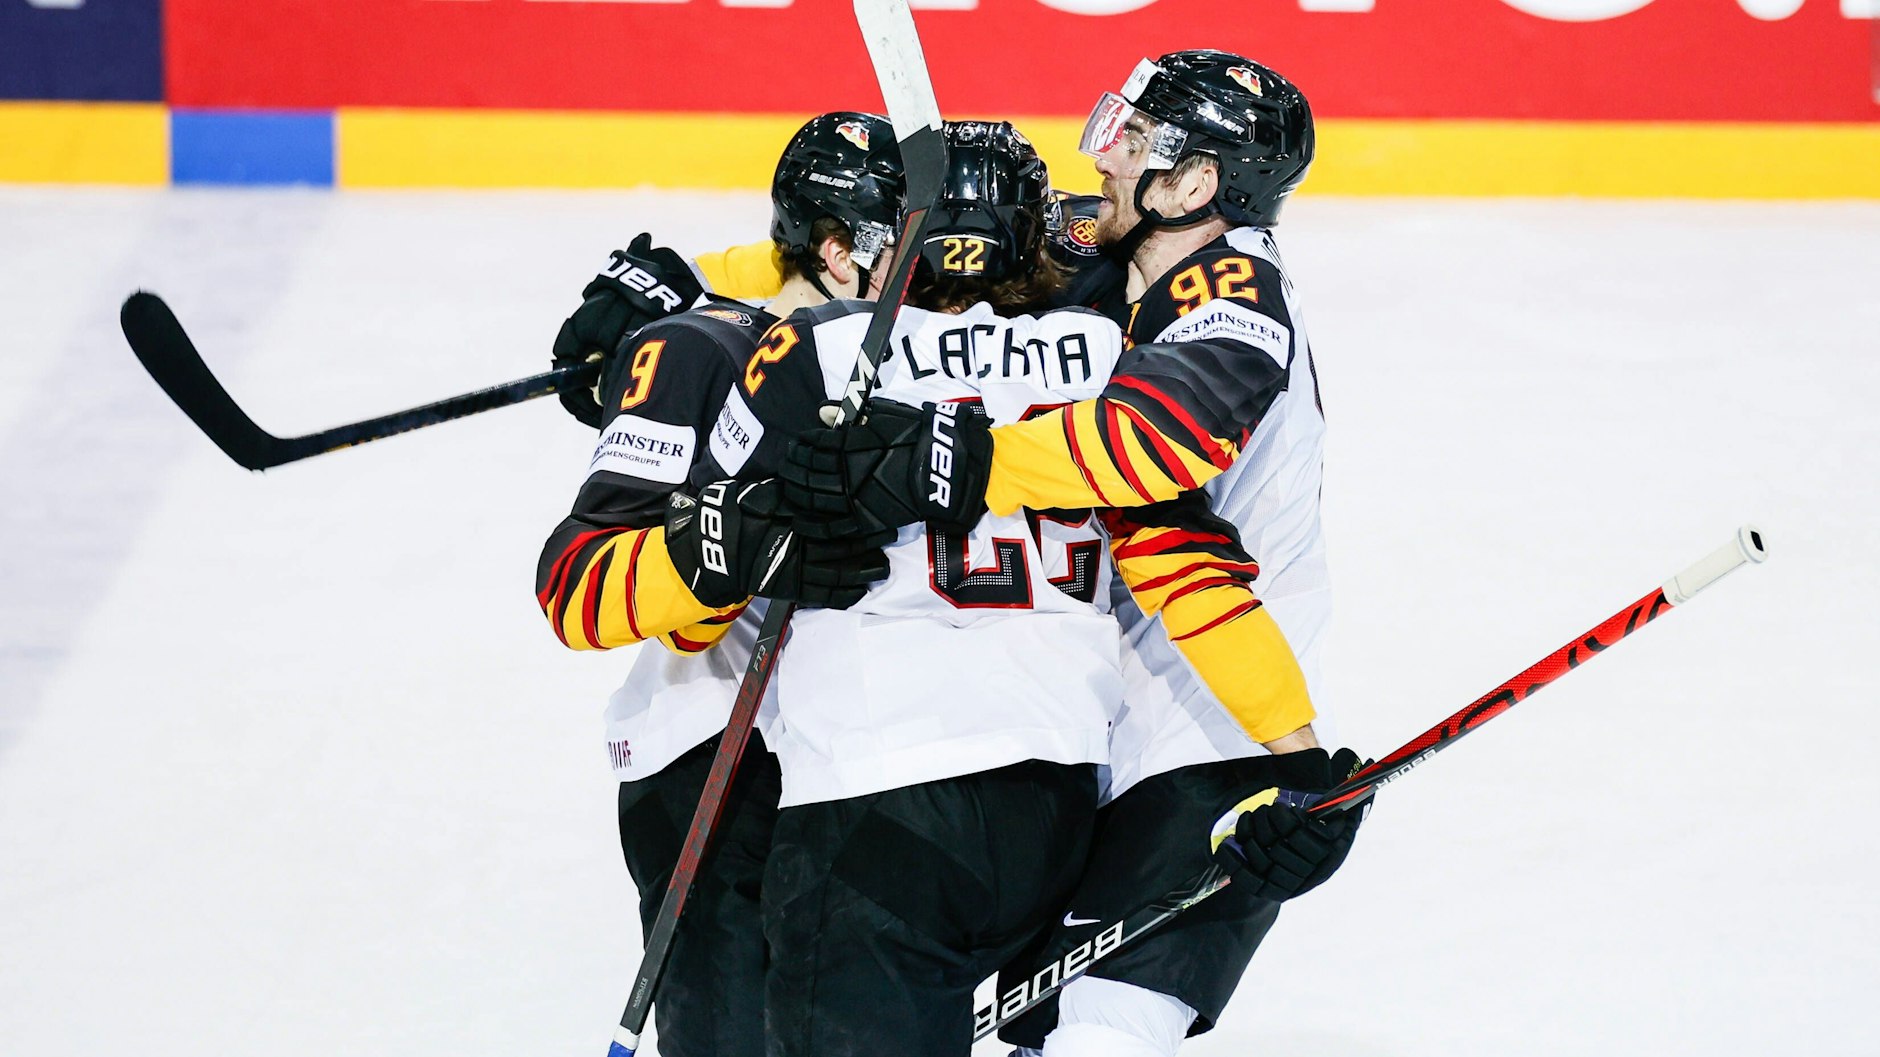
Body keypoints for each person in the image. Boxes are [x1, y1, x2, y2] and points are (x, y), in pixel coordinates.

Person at [778, 53, 1368, 1056]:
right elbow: (902, 244)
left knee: (1099, 1040)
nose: (1098, 159)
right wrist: (723, 293)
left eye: (1130, 142)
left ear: (1192, 185)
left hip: (1206, 733)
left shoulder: (1233, 286)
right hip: (1091, 718)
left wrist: (946, 460)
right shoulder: (1127, 251)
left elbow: (1153, 444)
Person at [532, 111, 906, 1057]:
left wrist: (697, 269)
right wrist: (725, 557)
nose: (927, 276)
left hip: (858, 769)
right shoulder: (698, 349)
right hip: (712, 761)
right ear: (834, 248)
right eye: (898, 246)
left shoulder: (917, 345)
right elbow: (575, 580)